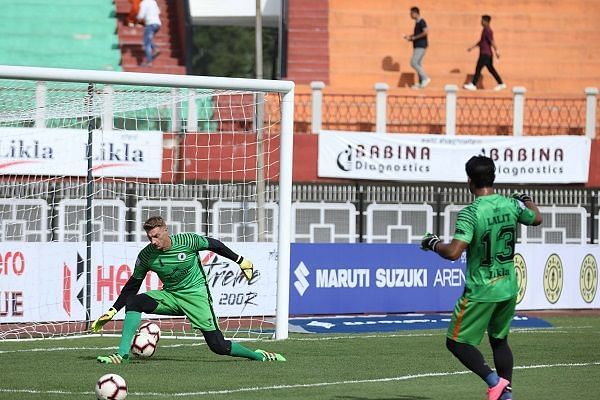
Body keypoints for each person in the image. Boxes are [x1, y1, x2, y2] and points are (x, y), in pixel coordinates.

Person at [421, 156, 542, 400]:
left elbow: (454, 252)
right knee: (499, 340)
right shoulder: (511, 205)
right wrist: (527, 200)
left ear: (469, 181)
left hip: (481, 290)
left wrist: (432, 243)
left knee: (456, 342)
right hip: (508, 287)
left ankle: (494, 381)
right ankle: (506, 395)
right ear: (493, 177)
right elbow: (536, 218)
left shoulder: (471, 213)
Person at [92, 216, 286, 363]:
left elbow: (215, 245)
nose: (153, 241)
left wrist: (241, 261)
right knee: (134, 302)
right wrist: (112, 310)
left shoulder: (188, 241)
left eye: (157, 236)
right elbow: (132, 285)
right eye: (150, 237)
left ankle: (258, 356)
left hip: (196, 297)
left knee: (218, 346)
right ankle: (122, 355)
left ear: (166, 231)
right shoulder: (146, 256)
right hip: (170, 296)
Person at [464, 15, 506, 91]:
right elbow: (481, 42)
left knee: (478, 68)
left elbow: (492, 42)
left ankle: (473, 84)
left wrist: (497, 51)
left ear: (486, 21)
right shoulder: (484, 30)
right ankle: (501, 83)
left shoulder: (488, 30)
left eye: (482, 20)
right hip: (486, 54)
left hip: (485, 54)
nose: (481, 22)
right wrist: (472, 47)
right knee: (491, 69)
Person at [403, 7, 430, 89]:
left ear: (415, 13)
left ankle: (425, 78)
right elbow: (417, 34)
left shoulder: (422, 21)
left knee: (413, 62)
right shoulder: (417, 22)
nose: (410, 15)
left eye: (411, 13)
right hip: (417, 45)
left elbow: (425, 32)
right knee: (418, 64)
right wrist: (410, 37)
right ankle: (421, 82)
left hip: (421, 46)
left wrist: (414, 38)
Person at [137, 0, 161, 67]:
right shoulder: (153, 2)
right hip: (157, 24)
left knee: (146, 43)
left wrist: (137, 19)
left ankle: (149, 62)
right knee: (148, 40)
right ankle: (155, 49)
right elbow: (158, 12)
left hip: (150, 24)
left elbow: (140, 15)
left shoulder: (143, 3)